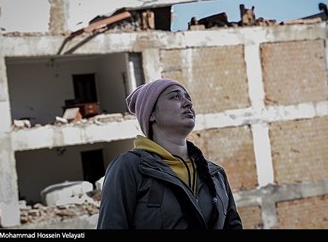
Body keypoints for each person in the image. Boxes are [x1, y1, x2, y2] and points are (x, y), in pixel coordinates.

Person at [97, 78, 243, 229]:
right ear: (151, 114)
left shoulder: (215, 174)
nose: (188, 103)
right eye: (175, 96)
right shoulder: (130, 167)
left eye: (188, 98)